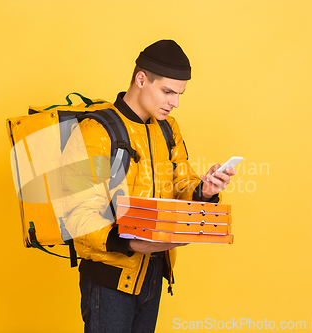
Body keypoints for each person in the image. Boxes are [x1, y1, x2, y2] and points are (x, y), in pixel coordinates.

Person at [62, 39, 236, 333]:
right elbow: (76, 215)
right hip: (110, 277)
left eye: (180, 94)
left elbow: (182, 181)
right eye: (167, 91)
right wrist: (131, 243)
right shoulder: (95, 131)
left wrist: (205, 191)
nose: (174, 102)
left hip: (153, 271)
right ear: (141, 79)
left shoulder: (167, 129)